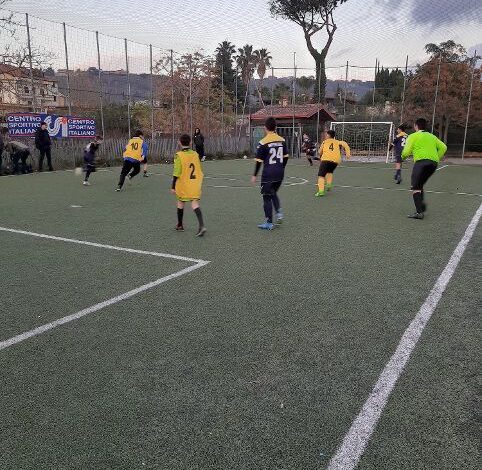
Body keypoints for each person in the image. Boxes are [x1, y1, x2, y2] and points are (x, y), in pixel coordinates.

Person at [401, 118, 447, 219]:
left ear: (416, 126)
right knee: (420, 184)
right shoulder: (432, 136)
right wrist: (436, 158)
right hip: (433, 164)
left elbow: (405, 152)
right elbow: (444, 147)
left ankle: (419, 212)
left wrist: (402, 157)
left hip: (421, 163)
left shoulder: (413, 136)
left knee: (415, 186)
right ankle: (421, 206)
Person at [251, 117, 289, 230]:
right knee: (273, 193)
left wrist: (254, 175)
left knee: (266, 197)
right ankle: (279, 212)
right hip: (280, 173)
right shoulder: (282, 140)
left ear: (265, 128)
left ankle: (269, 222)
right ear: (275, 127)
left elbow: (258, 162)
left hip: (268, 174)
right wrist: (281, 168)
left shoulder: (263, 142)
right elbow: (286, 157)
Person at [171, 133, 206, 237]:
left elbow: (176, 172)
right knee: (195, 203)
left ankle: (180, 225)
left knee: (181, 202)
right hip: (195, 183)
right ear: (190, 143)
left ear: (179, 143)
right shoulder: (195, 154)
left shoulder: (179, 155)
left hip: (183, 184)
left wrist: (173, 186)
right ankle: (201, 225)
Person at [315, 129, 351, 197]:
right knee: (329, 172)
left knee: (321, 176)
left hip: (326, 159)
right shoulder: (337, 142)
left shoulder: (324, 142)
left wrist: (320, 156)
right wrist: (348, 154)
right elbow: (345, 144)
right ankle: (328, 185)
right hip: (335, 161)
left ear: (328, 135)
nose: (325, 136)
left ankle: (321, 192)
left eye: (326, 135)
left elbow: (320, 152)